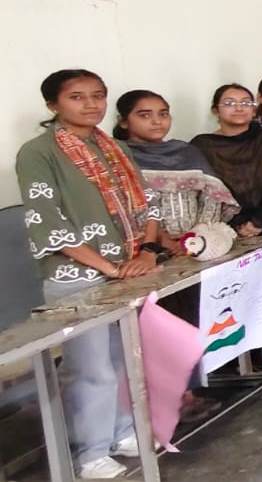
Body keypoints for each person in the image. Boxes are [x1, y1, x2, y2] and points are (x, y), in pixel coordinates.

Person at [17, 69, 169, 479]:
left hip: (125, 268)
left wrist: (147, 252)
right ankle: (91, 454)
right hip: (77, 275)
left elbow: (149, 202)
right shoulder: (38, 152)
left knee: (121, 359)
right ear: (53, 104)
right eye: (77, 97)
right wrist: (109, 268)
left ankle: (121, 432)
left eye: (98, 95)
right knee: (91, 367)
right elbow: (48, 222)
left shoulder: (113, 148)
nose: (91, 105)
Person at [191, 84, 262, 237]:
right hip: (219, 233)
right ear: (215, 110)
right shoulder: (203, 145)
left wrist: (258, 222)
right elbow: (196, 194)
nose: (239, 108)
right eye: (229, 103)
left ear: (254, 110)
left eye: (246, 103)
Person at [113, 90, 235, 236]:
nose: (157, 121)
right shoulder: (117, 157)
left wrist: (195, 238)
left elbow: (212, 198)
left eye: (163, 114)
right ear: (123, 121)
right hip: (142, 244)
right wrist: (156, 240)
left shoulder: (187, 153)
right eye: (145, 115)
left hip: (195, 242)